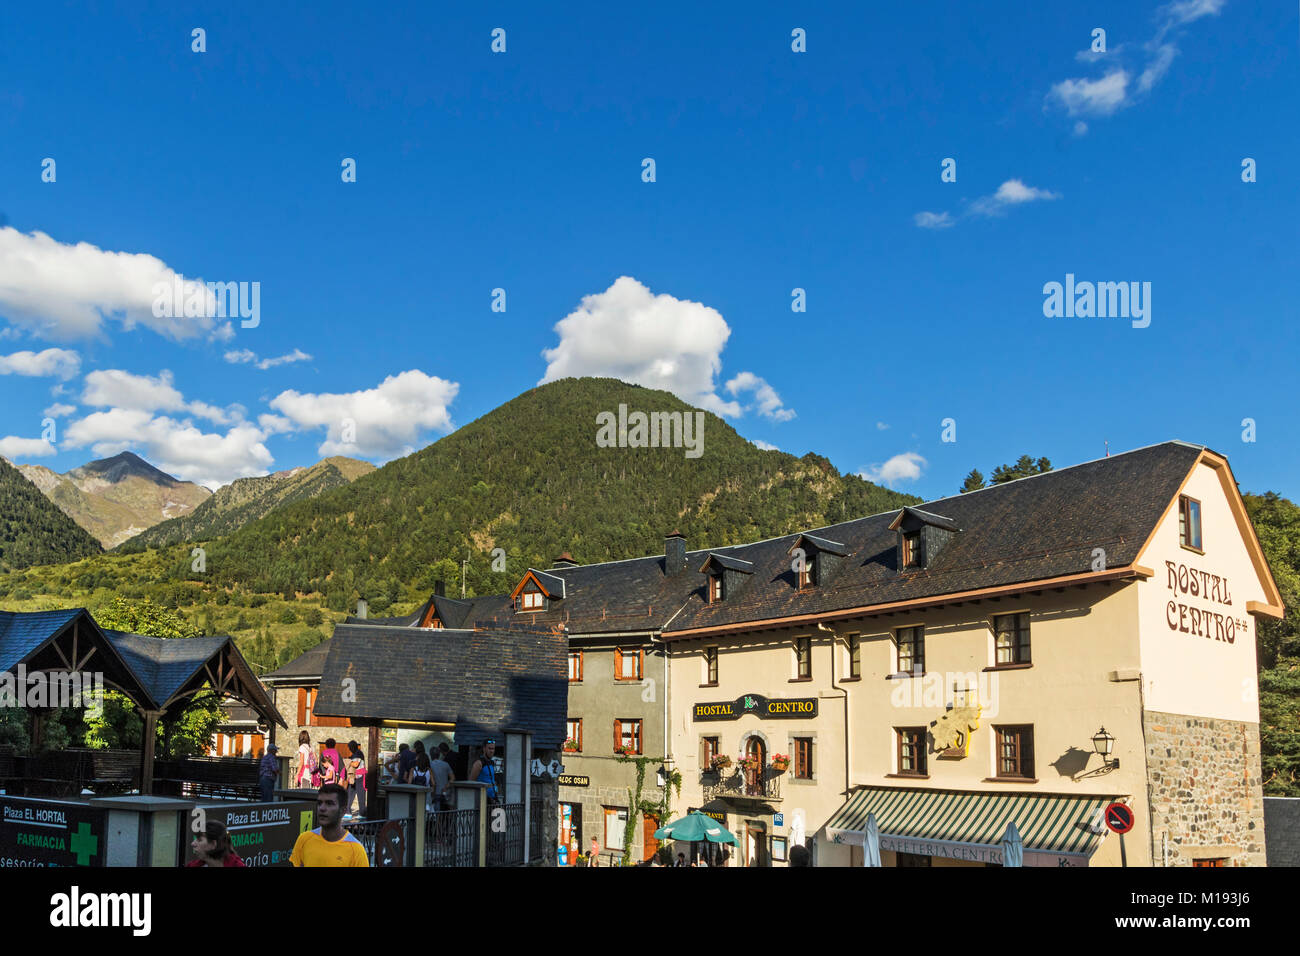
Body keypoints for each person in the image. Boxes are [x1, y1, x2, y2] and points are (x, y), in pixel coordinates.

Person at [289, 784, 369, 867]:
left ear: (343, 811)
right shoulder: (304, 839)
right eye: (320, 803)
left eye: (329, 804)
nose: (322, 808)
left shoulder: (356, 850)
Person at [469, 739, 499, 803]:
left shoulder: (491, 762)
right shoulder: (479, 763)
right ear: (484, 749)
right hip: (483, 800)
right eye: (489, 748)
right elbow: (471, 782)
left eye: (493, 749)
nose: (491, 751)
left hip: (493, 798)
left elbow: (491, 779)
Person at [343, 740, 366, 819]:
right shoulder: (355, 754)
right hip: (354, 777)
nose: (349, 749)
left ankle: (362, 813)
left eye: (350, 747)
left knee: (361, 795)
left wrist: (347, 761)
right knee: (349, 794)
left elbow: (355, 764)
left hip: (360, 777)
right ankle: (348, 812)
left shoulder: (358, 754)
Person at [429, 745, 455, 811]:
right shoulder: (446, 764)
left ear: (430, 755)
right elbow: (452, 778)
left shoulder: (429, 765)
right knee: (445, 812)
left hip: (434, 793)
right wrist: (446, 786)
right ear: (439, 754)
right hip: (445, 792)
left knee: (436, 813)